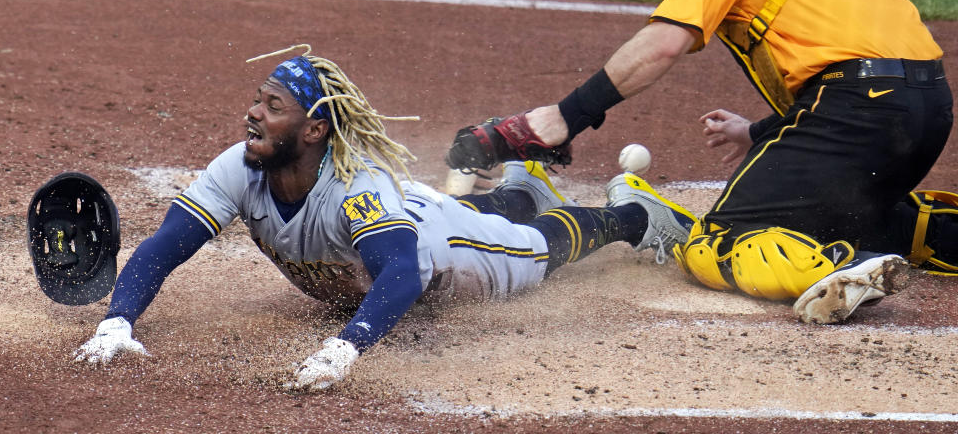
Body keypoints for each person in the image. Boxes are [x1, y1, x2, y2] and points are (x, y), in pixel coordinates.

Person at [445, 0, 955, 324]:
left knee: (716, 242)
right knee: (855, 213)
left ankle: (842, 267)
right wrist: (758, 131)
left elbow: (663, 44)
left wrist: (563, 118)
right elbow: (858, 61)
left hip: (854, 108)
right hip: (926, 106)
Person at [72, 46, 696, 390]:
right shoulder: (241, 166)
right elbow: (164, 247)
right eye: (256, 101)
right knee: (474, 207)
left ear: (315, 128)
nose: (252, 115)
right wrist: (116, 322)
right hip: (424, 211)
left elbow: (400, 273)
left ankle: (630, 217)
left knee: (534, 251)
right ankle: (527, 180)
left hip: (449, 253)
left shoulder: (355, 187)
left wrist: (346, 349)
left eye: (273, 105)